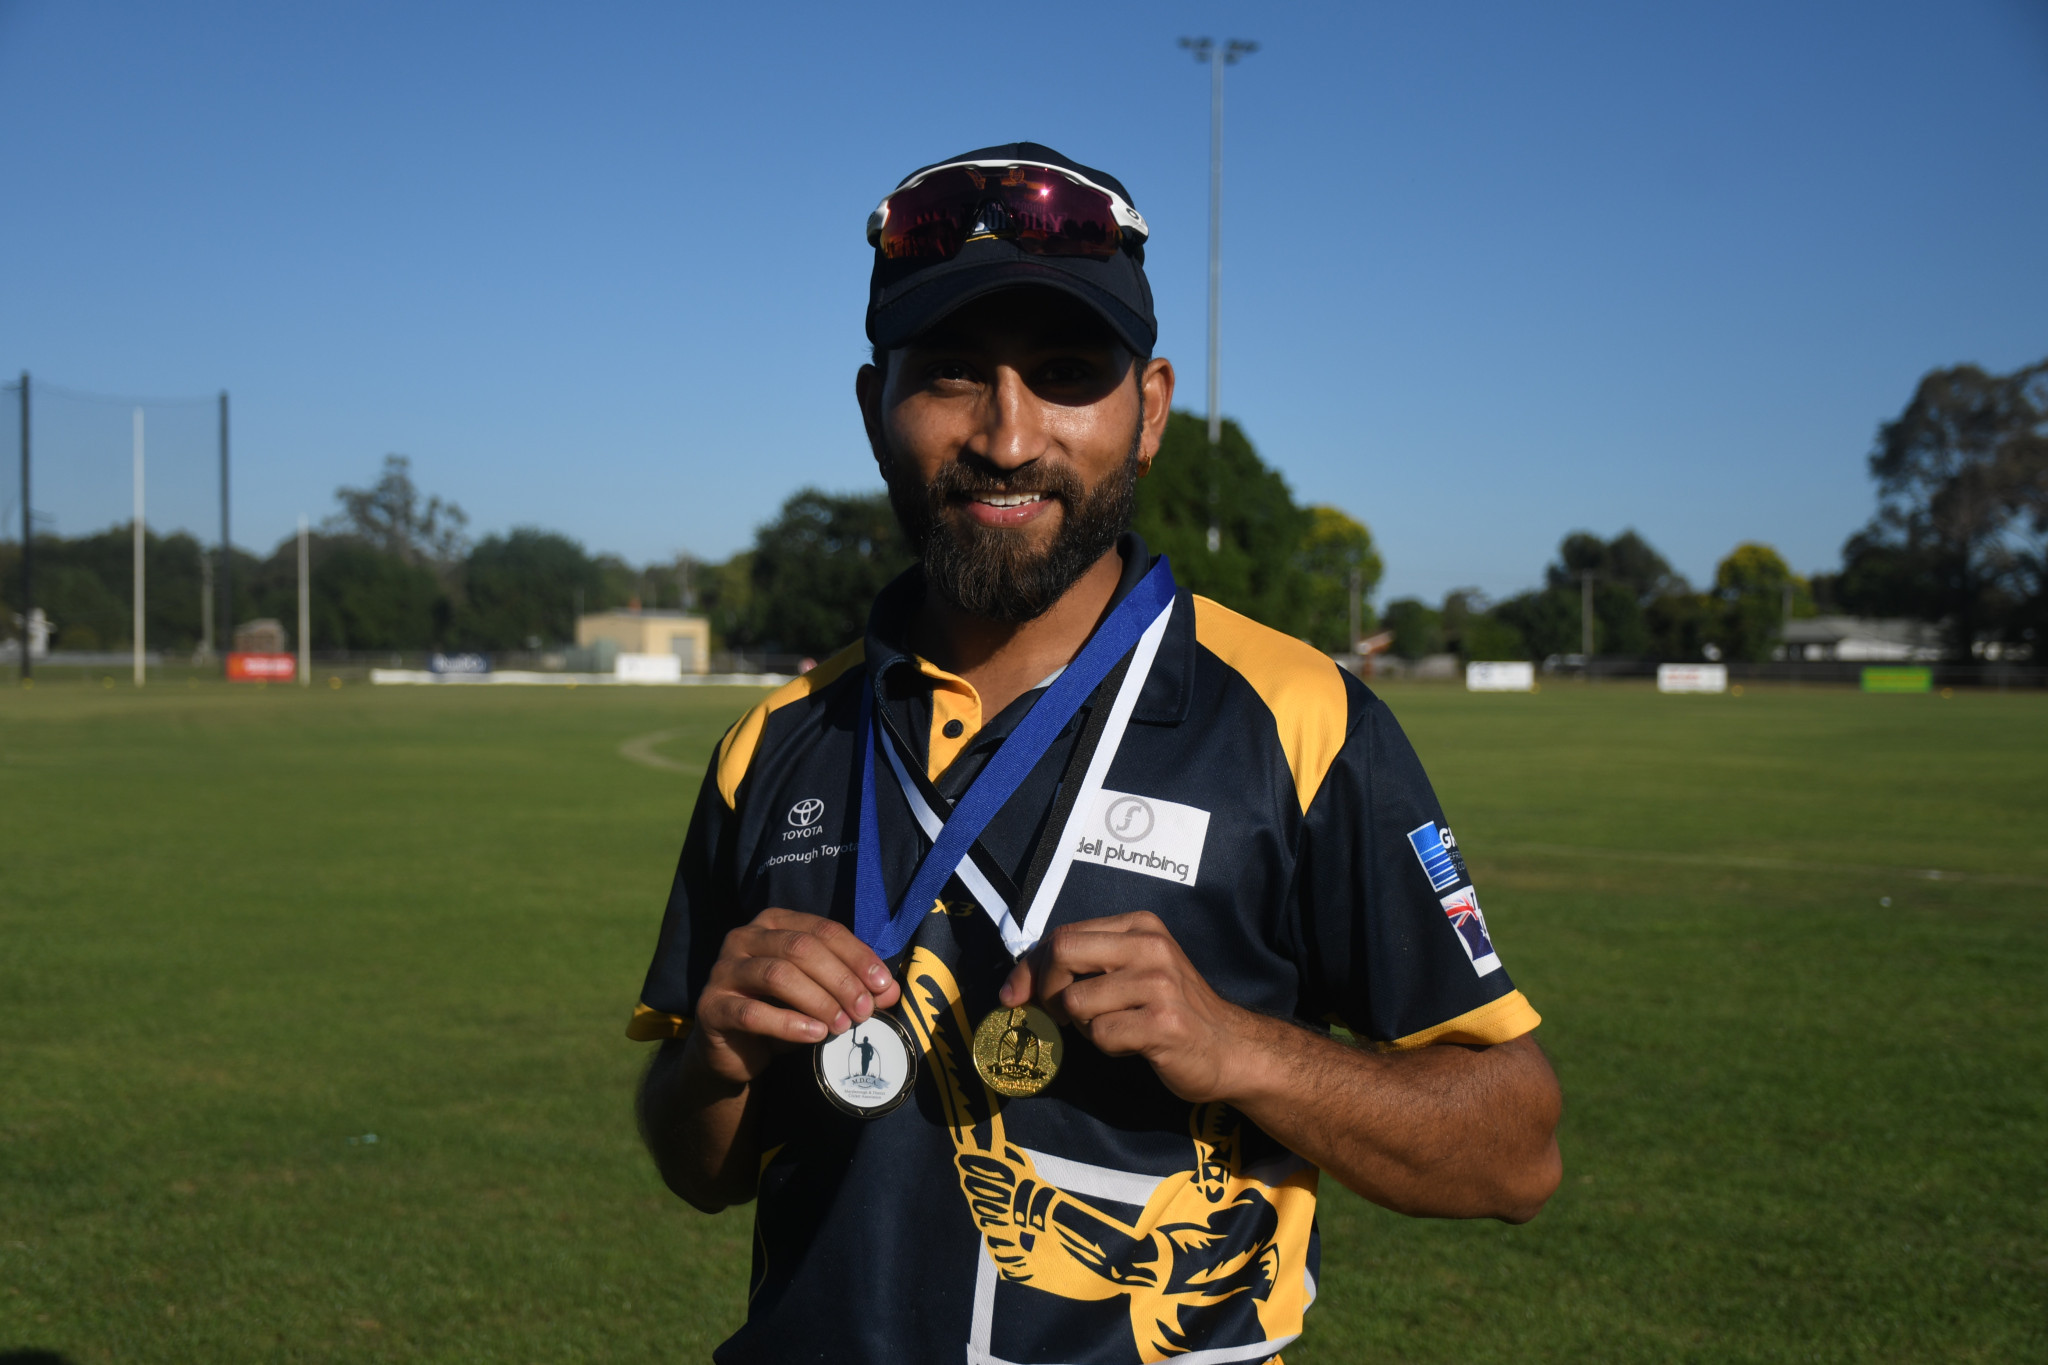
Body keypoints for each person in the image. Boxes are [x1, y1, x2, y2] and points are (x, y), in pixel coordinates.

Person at [631, 142, 1563, 1364]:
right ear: (873, 411)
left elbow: (1513, 1150)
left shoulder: (1295, 718)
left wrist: (1242, 1049)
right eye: (953, 374)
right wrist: (713, 1057)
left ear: (1149, 412)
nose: (1007, 438)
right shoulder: (780, 742)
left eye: (1066, 376)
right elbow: (702, 1171)